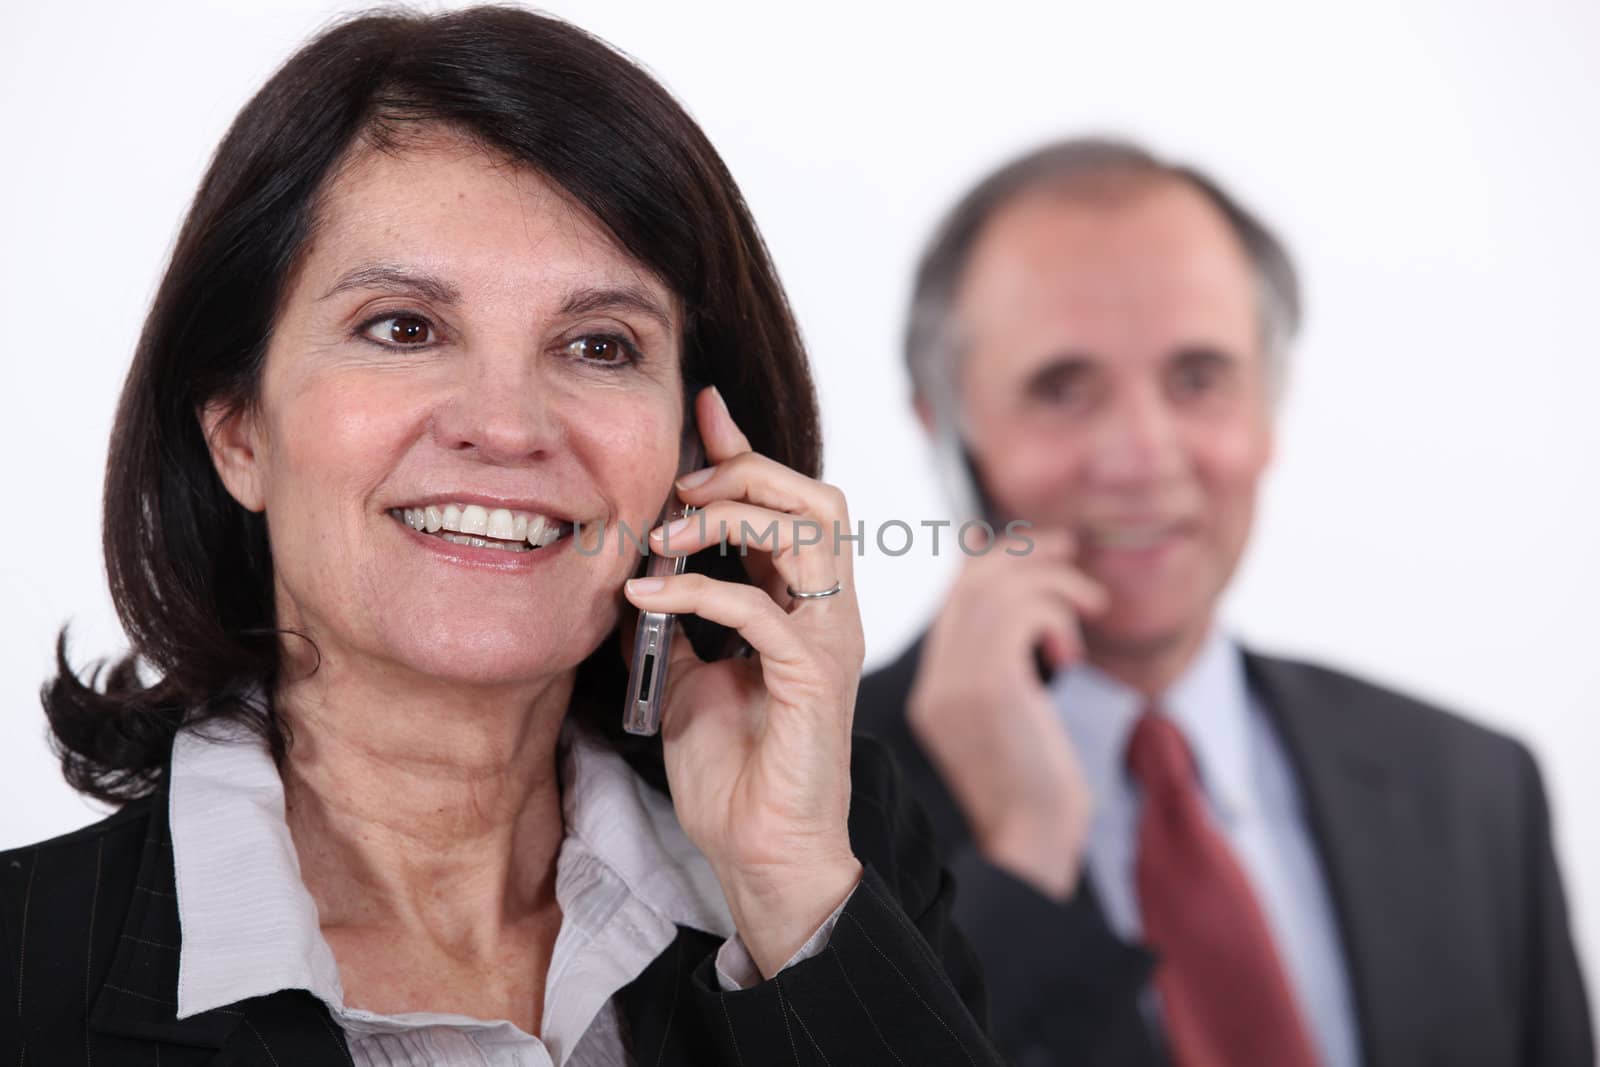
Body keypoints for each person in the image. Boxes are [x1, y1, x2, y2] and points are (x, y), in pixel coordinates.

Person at [0, 9, 1005, 1066]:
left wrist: (784, 888)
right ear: (240, 430)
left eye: (597, 344)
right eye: (403, 327)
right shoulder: (28, 966)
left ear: (691, 458)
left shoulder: (845, 867)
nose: (509, 426)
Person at [856, 138, 1593, 1067]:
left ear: (1267, 410)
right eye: (1063, 388)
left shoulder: (1473, 787)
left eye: (1198, 379)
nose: (1142, 456)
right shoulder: (803, 806)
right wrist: (1020, 857)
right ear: (946, 425)